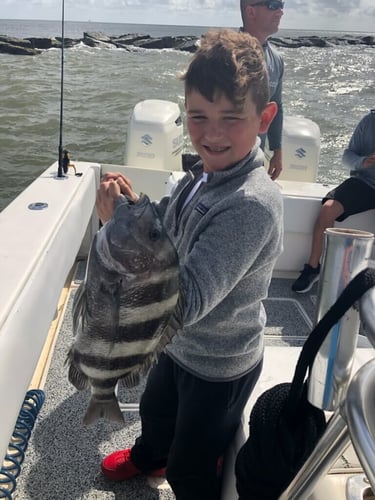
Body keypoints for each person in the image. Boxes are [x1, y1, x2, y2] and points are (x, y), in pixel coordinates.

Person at [97, 29, 283, 500]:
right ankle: (148, 454)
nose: (212, 134)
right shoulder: (202, 172)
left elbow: (187, 300)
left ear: (264, 118)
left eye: (231, 118)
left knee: (190, 465)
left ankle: (186, 472)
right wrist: (135, 207)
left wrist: (119, 227)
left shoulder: (251, 204)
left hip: (219, 365)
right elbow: (169, 227)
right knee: (157, 411)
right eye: (198, 117)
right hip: (178, 349)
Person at [292, 108, 375, 293]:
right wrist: (364, 162)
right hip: (364, 183)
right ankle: (313, 268)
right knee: (327, 209)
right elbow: (347, 157)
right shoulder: (369, 121)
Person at [240, 0, 285, 180]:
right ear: (251, 11)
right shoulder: (223, 53)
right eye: (273, 5)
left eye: (282, 5)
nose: (280, 12)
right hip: (223, 163)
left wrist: (277, 150)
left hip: (255, 161)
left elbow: (277, 107)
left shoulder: (277, 60)